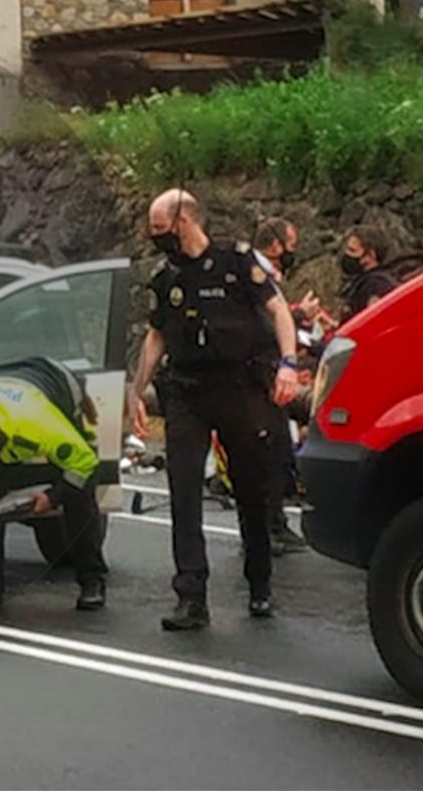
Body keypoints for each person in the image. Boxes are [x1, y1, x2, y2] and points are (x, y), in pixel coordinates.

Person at [130, 189, 300, 631]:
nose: (154, 237)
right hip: (186, 393)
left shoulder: (237, 261)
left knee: (250, 489)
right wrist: (136, 391)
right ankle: (190, 596)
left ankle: (259, 583)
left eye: (160, 229)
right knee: (184, 491)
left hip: (239, 390)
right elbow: (156, 337)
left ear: (184, 222)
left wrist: (288, 364)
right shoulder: (166, 276)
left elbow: (279, 310)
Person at [0, 356, 108, 614]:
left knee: (78, 492)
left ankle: (92, 580)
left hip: (56, 384)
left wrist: (53, 497)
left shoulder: (39, 423)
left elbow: (86, 464)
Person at [250, 217, 310, 556]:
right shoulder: (255, 275)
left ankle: (275, 523)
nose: (292, 252)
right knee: (266, 454)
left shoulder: (269, 276)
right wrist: (298, 320)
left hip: (270, 375)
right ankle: (264, 529)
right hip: (260, 376)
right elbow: (263, 322)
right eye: (291, 245)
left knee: (279, 453)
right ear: (276, 245)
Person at [339, 224, 402, 323]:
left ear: (370, 255)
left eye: (352, 251)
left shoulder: (377, 286)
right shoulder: (362, 283)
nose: (347, 254)